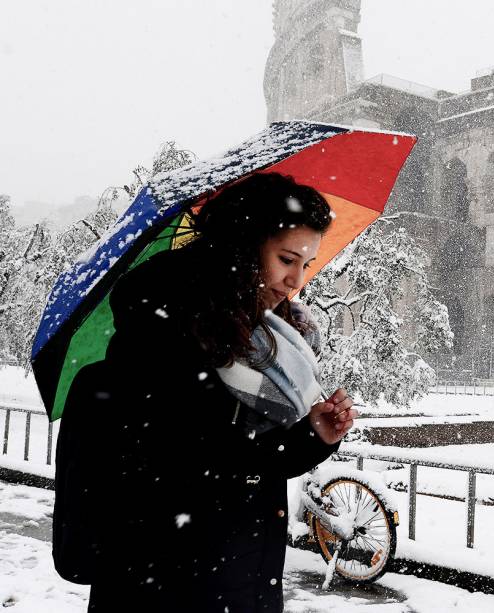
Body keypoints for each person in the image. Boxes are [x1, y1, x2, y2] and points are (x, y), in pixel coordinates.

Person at [86, 173, 357, 612]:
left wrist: (314, 434)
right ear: (244, 246)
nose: (296, 281)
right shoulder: (163, 332)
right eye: (287, 259)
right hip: (166, 587)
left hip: (236, 578)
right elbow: (190, 468)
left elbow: (248, 464)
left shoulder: (258, 340)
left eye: (305, 265)